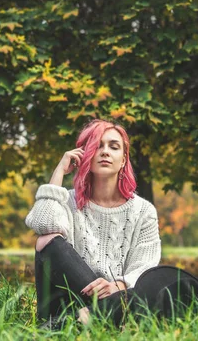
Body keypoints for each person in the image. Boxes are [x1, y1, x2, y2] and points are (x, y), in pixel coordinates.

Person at [25, 119, 161, 326]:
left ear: (123, 160)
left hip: (117, 298)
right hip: (67, 302)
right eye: (97, 146)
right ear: (85, 155)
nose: (105, 152)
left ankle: (76, 322)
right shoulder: (68, 202)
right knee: (48, 238)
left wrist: (118, 285)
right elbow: (43, 226)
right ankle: (100, 316)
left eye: (113, 147)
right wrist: (59, 172)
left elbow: (145, 267)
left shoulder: (143, 211)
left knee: (164, 282)